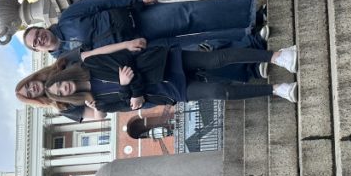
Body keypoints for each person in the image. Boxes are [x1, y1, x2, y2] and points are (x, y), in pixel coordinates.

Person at [38, 43, 300, 117]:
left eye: (60, 83)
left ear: (64, 76)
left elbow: (125, 62)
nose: (64, 87)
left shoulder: (90, 65)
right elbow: (131, 104)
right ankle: (277, 89)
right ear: (66, 97)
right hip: (168, 90)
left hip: (162, 64)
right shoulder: (99, 104)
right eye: (61, 92)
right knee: (221, 92)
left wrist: (130, 89)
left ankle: (277, 56)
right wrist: (128, 88)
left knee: (216, 60)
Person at [20, 0, 264, 60]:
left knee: (190, 14)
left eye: (37, 34)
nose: (40, 39)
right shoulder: (65, 61)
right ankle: (247, 34)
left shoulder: (67, 18)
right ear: (39, 50)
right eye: (36, 43)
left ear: (42, 28)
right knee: (197, 45)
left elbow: (100, 1)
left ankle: (249, 13)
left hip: (138, 20)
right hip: (138, 50)